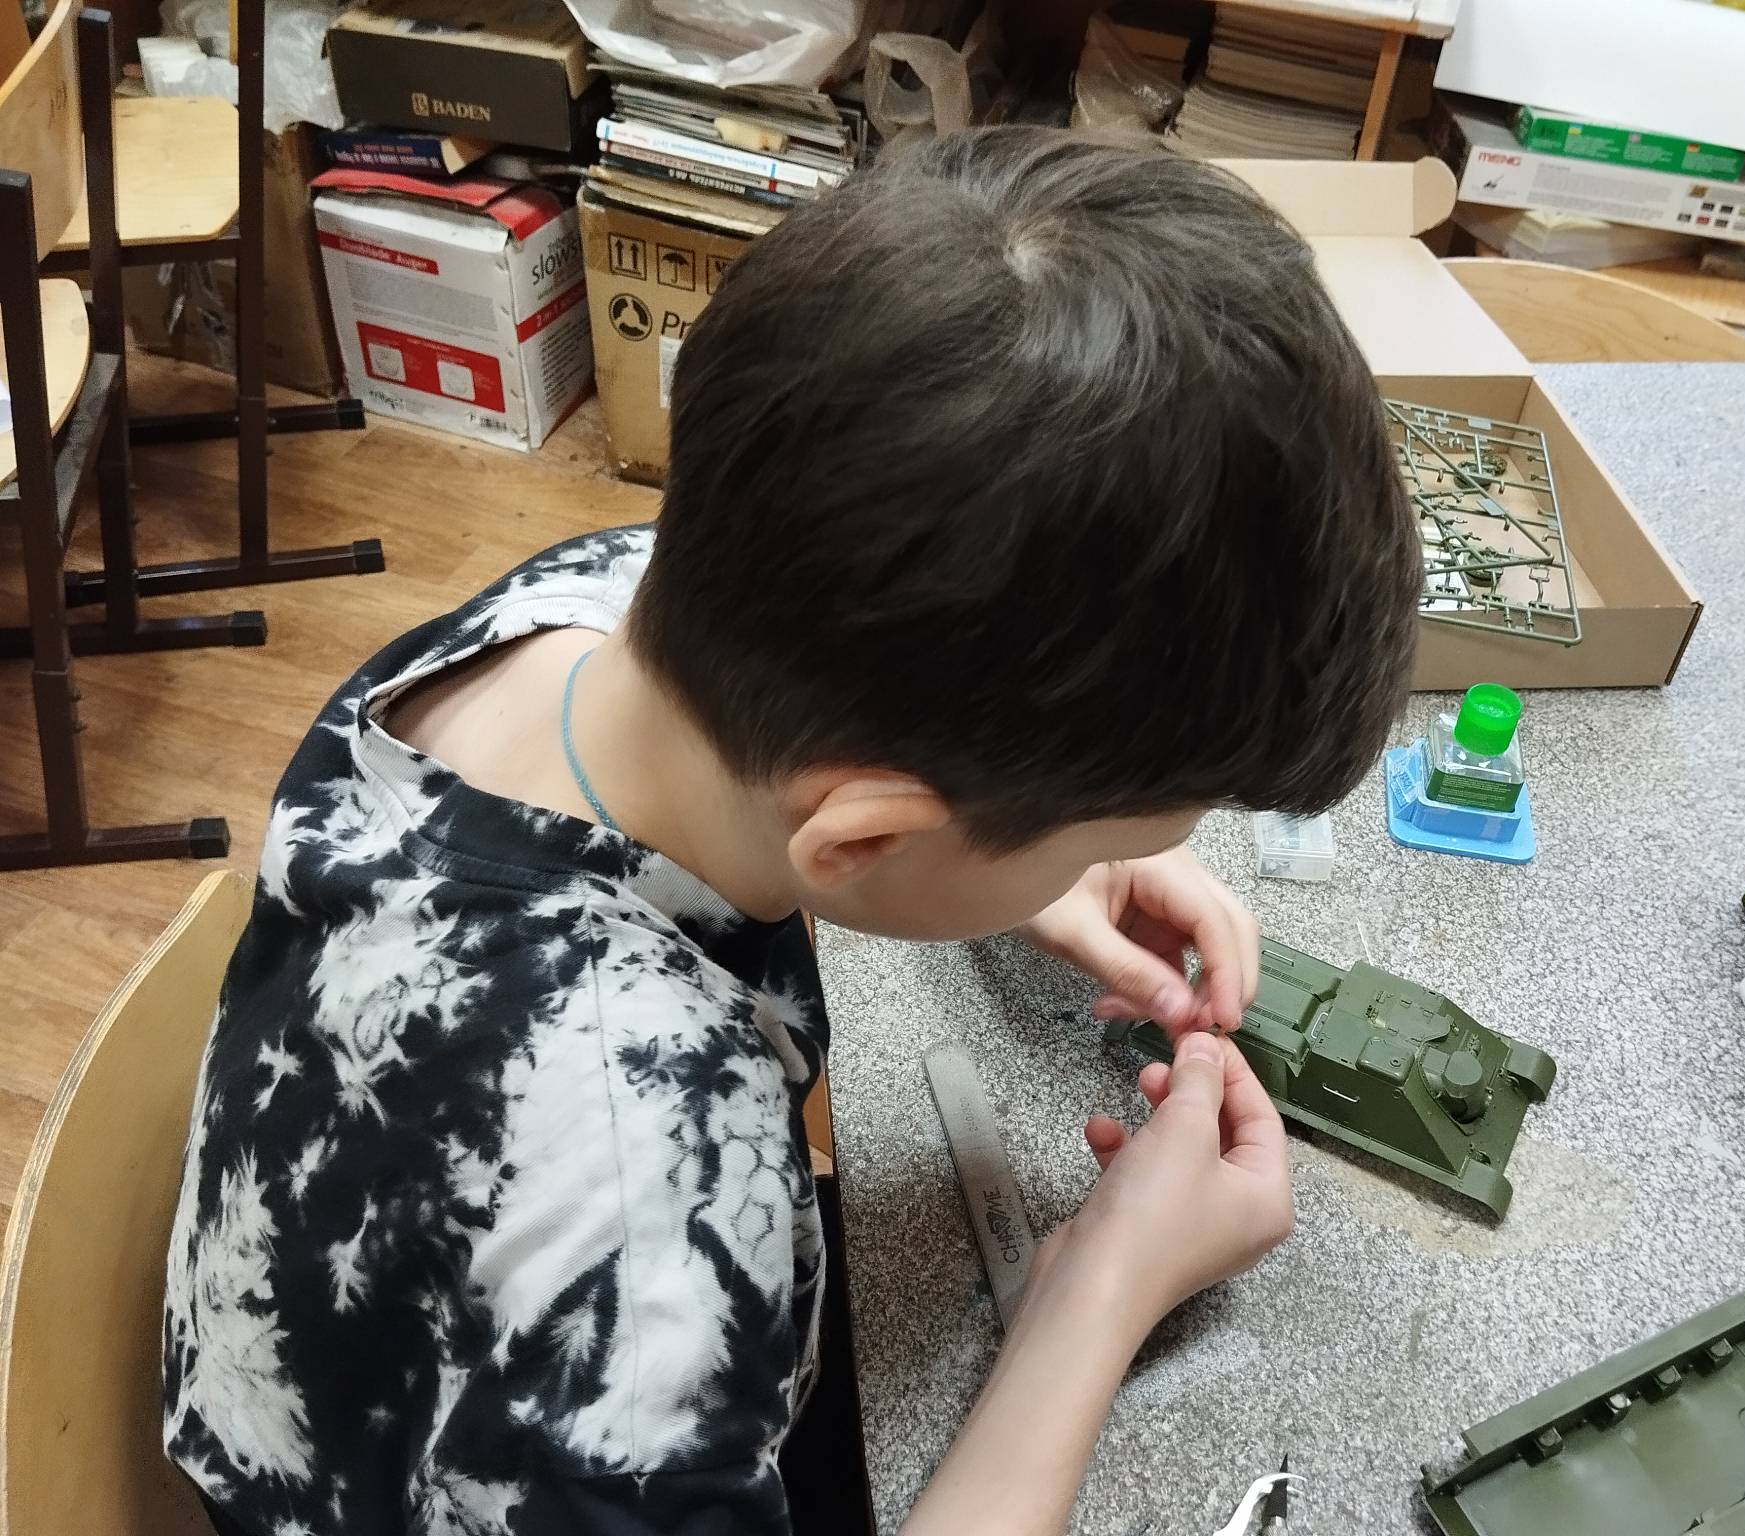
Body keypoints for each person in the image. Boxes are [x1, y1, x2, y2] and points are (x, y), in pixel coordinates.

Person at [162, 126, 1419, 1536]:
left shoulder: (604, 597)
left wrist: (1024, 852)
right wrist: (1100, 1289)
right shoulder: (654, 1234)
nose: (1095, 873)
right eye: (1087, 846)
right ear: (865, 838)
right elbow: (641, 1276)